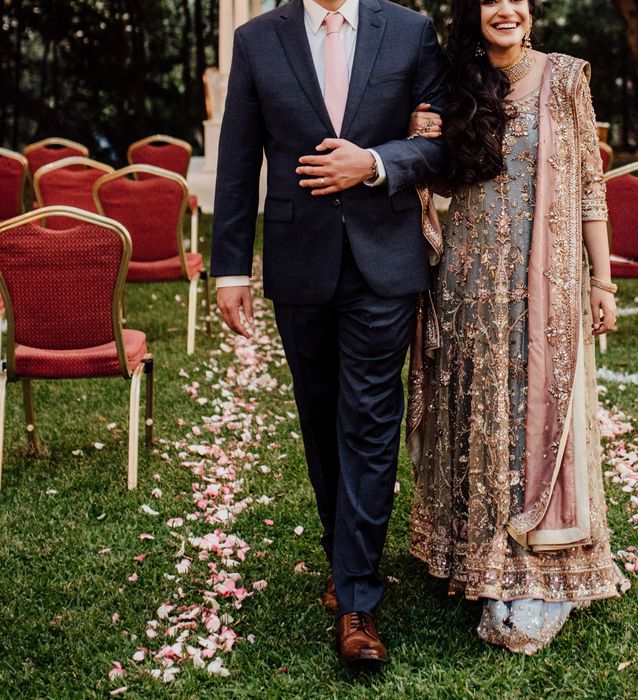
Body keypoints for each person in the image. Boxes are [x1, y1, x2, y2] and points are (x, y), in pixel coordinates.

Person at [210, 0, 445, 670]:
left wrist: (371, 162)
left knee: (371, 418)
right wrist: (230, 267)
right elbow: (237, 158)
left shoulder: (409, 31)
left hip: (385, 261)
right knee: (320, 417)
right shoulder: (257, 40)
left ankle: (357, 602)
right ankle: (345, 562)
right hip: (298, 260)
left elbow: (434, 141)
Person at [406, 0, 622, 655]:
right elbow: (432, 181)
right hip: (469, 283)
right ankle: (481, 560)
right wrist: (420, 141)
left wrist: (602, 279)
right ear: (475, 14)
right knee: (476, 412)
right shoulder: (453, 85)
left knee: (534, 415)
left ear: (530, 13)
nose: (505, 9)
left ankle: (534, 569)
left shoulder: (565, 79)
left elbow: (588, 188)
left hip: (543, 288)